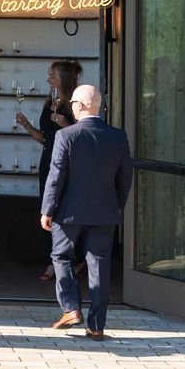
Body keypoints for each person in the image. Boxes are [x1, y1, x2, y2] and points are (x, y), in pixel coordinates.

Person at [42, 85, 133, 339]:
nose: (70, 107)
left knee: (60, 256)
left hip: (68, 211)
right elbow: (126, 177)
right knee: (99, 266)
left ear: (80, 106)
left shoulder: (66, 136)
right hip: (105, 210)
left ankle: (71, 308)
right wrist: (116, 204)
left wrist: (47, 209)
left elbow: (55, 177)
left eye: (72, 103)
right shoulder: (118, 136)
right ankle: (96, 326)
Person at [18, 60, 81, 282]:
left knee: (66, 210)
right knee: (47, 209)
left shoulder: (76, 104)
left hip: (69, 162)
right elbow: (46, 139)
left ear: (62, 79)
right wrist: (27, 126)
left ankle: (70, 259)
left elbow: (83, 136)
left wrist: (65, 125)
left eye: (52, 76)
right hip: (49, 160)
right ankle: (54, 258)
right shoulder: (49, 103)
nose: (48, 80)